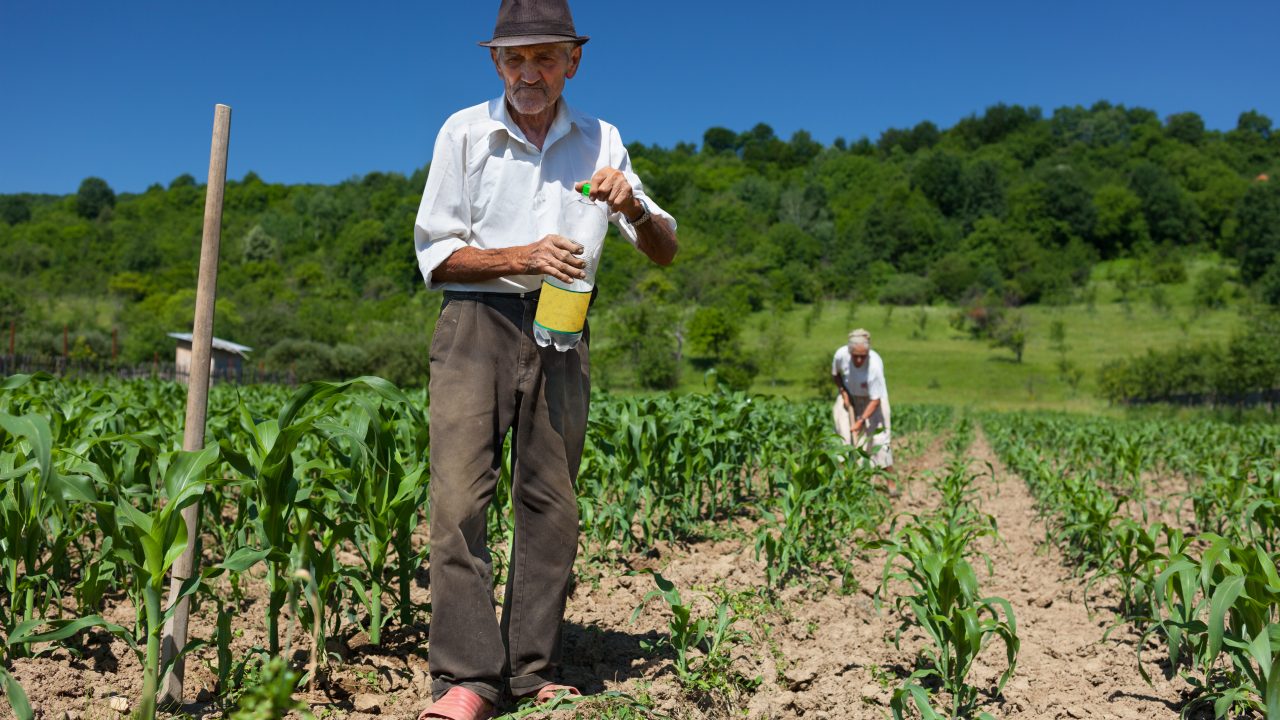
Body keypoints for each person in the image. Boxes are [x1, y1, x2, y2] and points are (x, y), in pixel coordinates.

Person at [412, 2, 678, 718]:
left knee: (552, 507)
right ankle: (468, 679)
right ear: (495, 63)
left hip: (565, 326)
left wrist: (636, 209)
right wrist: (521, 255)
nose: (529, 73)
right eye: (514, 59)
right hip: (476, 323)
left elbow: (663, 250)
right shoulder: (464, 133)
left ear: (573, 61)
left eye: (545, 58)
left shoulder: (602, 139)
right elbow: (436, 256)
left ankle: (531, 672)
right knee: (461, 502)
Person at [832, 329, 894, 478]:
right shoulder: (841, 355)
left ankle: (890, 481)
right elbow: (835, 375)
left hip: (873, 399)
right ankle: (846, 478)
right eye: (856, 356)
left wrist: (860, 421)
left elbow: (875, 400)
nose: (859, 360)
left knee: (879, 440)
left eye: (863, 357)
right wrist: (843, 392)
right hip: (849, 395)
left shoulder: (874, 366)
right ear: (849, 352)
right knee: (844, 437)